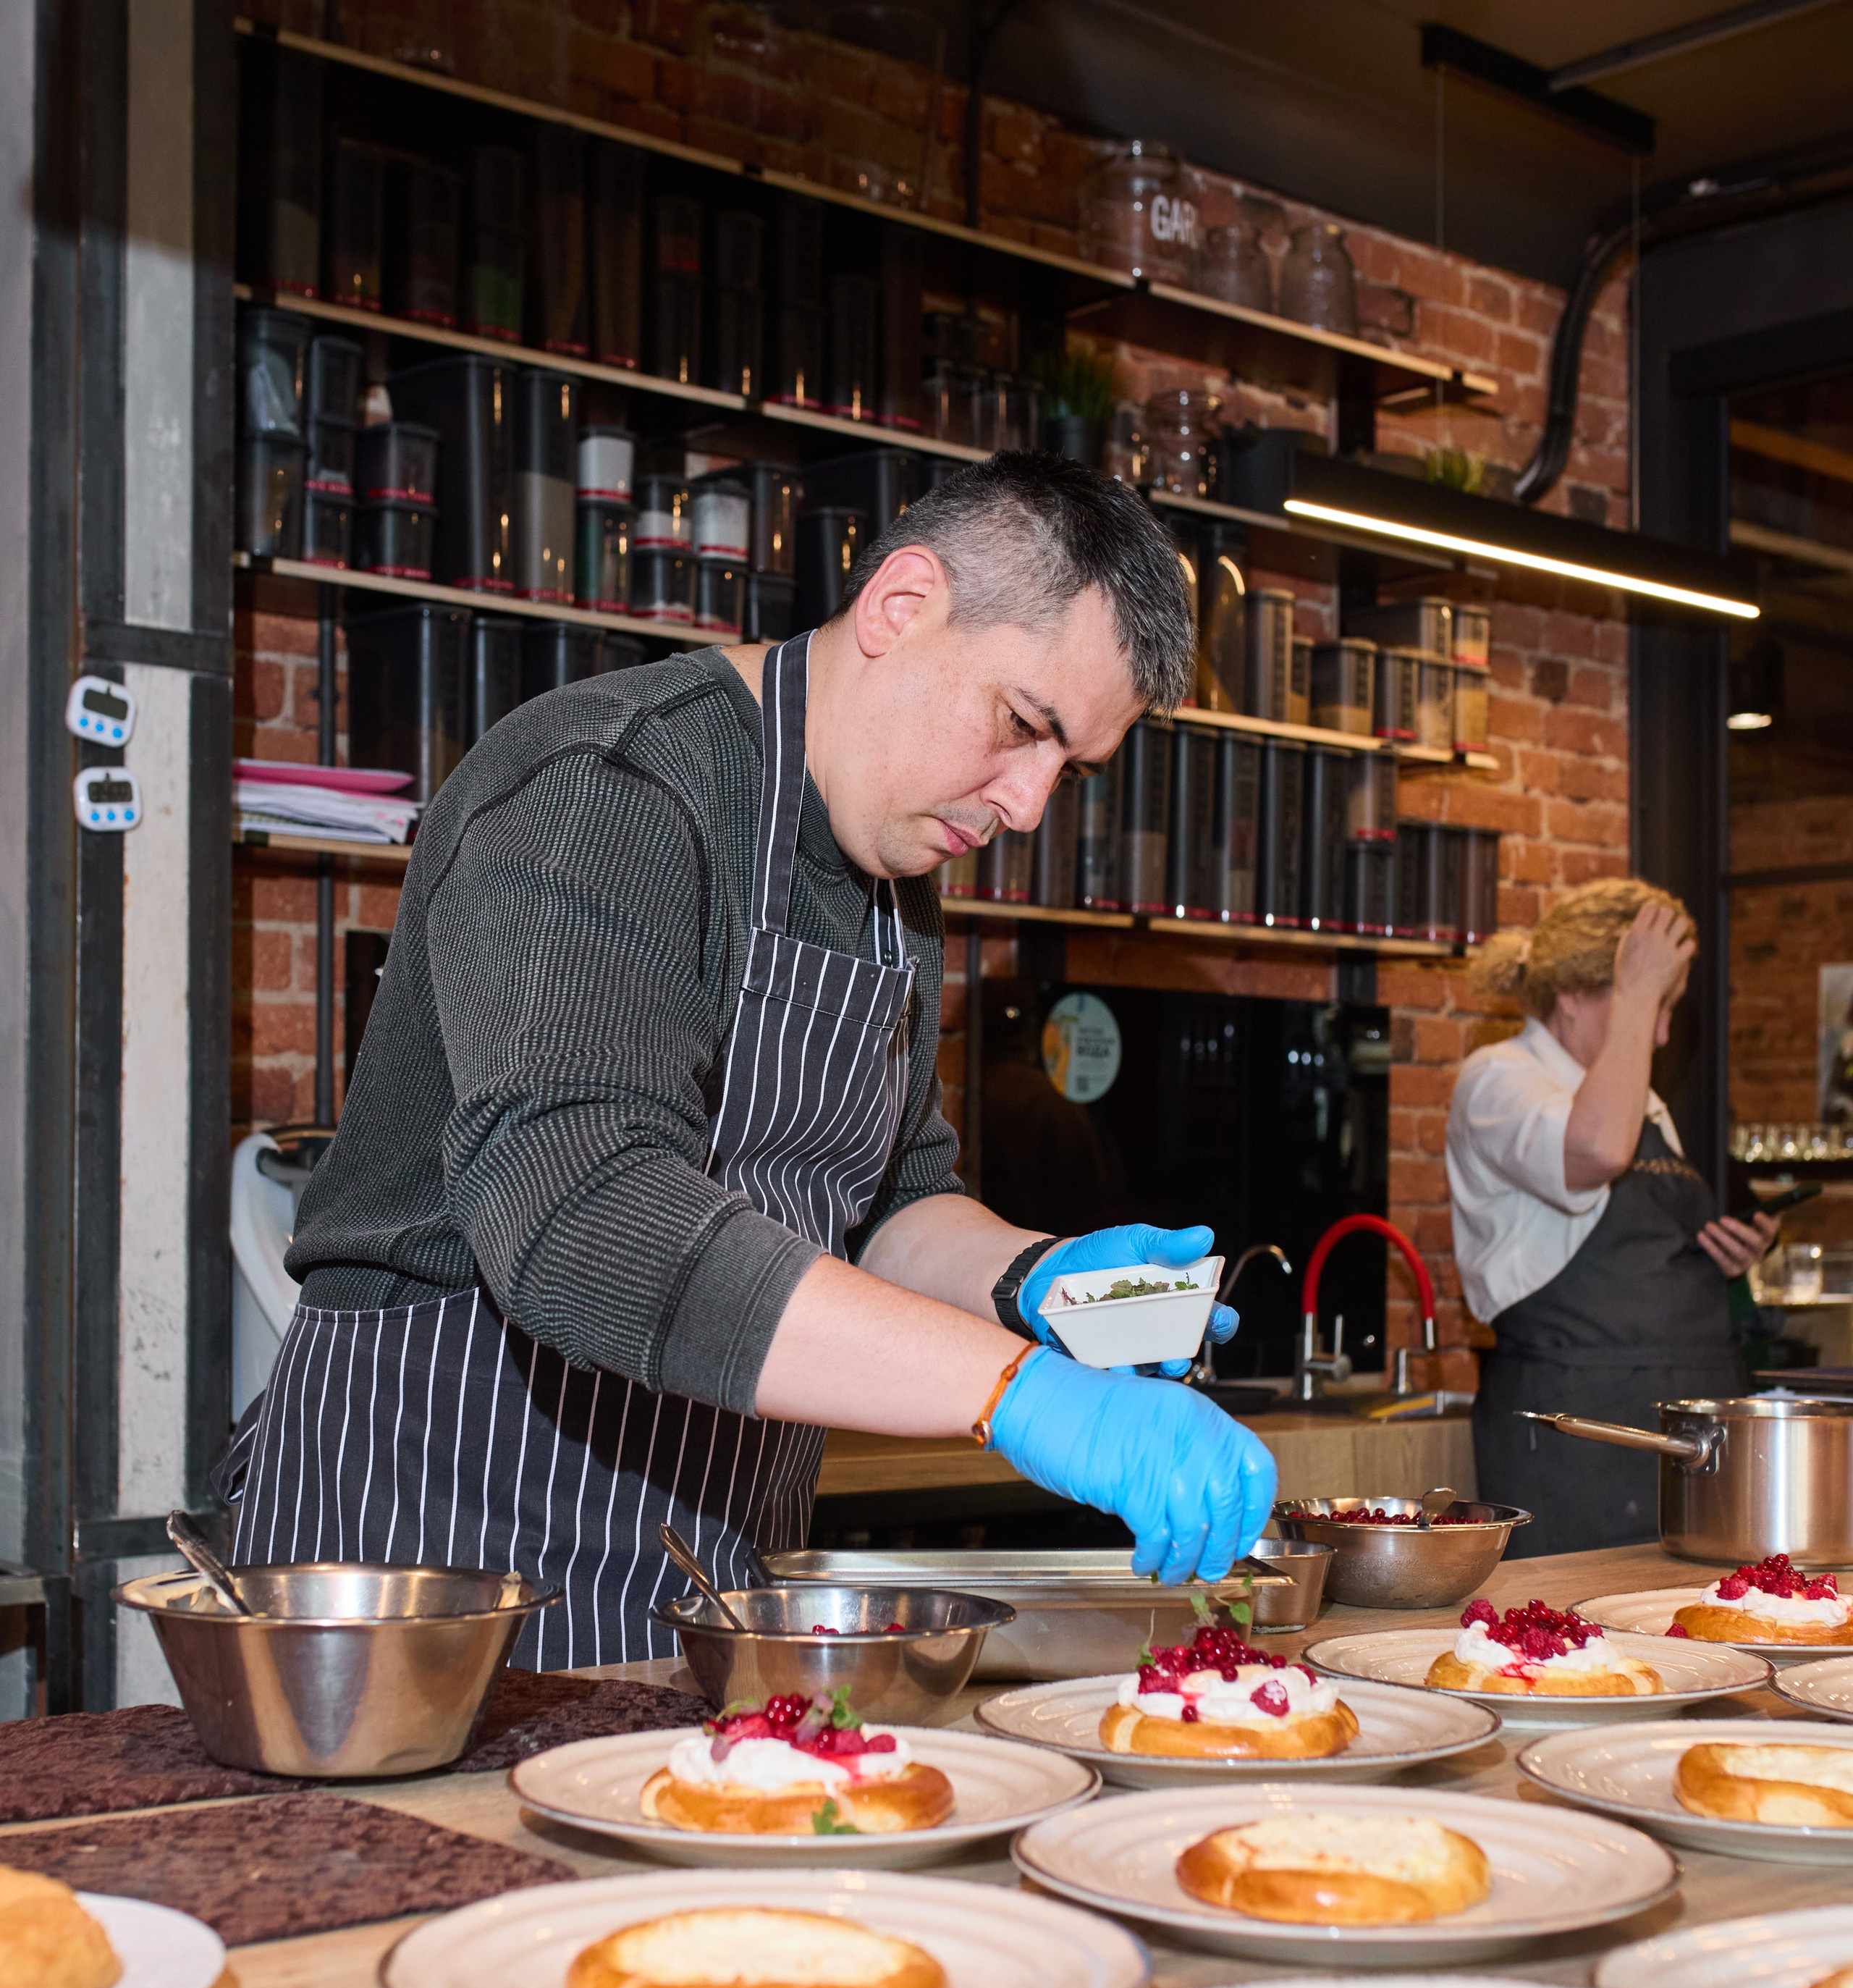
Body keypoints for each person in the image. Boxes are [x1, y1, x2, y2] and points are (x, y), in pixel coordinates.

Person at [219, 453, 1277, 1662]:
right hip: (435, 1564)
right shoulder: (605, 782)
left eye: (1068, 769)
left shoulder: (888, 879)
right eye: (1022, 726)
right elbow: (585, 1215)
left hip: (697, 1568)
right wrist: (1012, 1392)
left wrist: (1035, 1283)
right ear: (900, 605)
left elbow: (882, 1199)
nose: (1029, 806)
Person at [1447, 879, 1775, 1559]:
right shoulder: (1498, 1077)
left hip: (1683, 1433)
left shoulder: (1644, 1102)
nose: (1658, 1033)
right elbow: (1596, 1149)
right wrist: (1635, 993)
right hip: (1577, 1440)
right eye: (1653, 1006)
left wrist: (1721, 1255)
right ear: (1572, 994)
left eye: (1666, 1010)